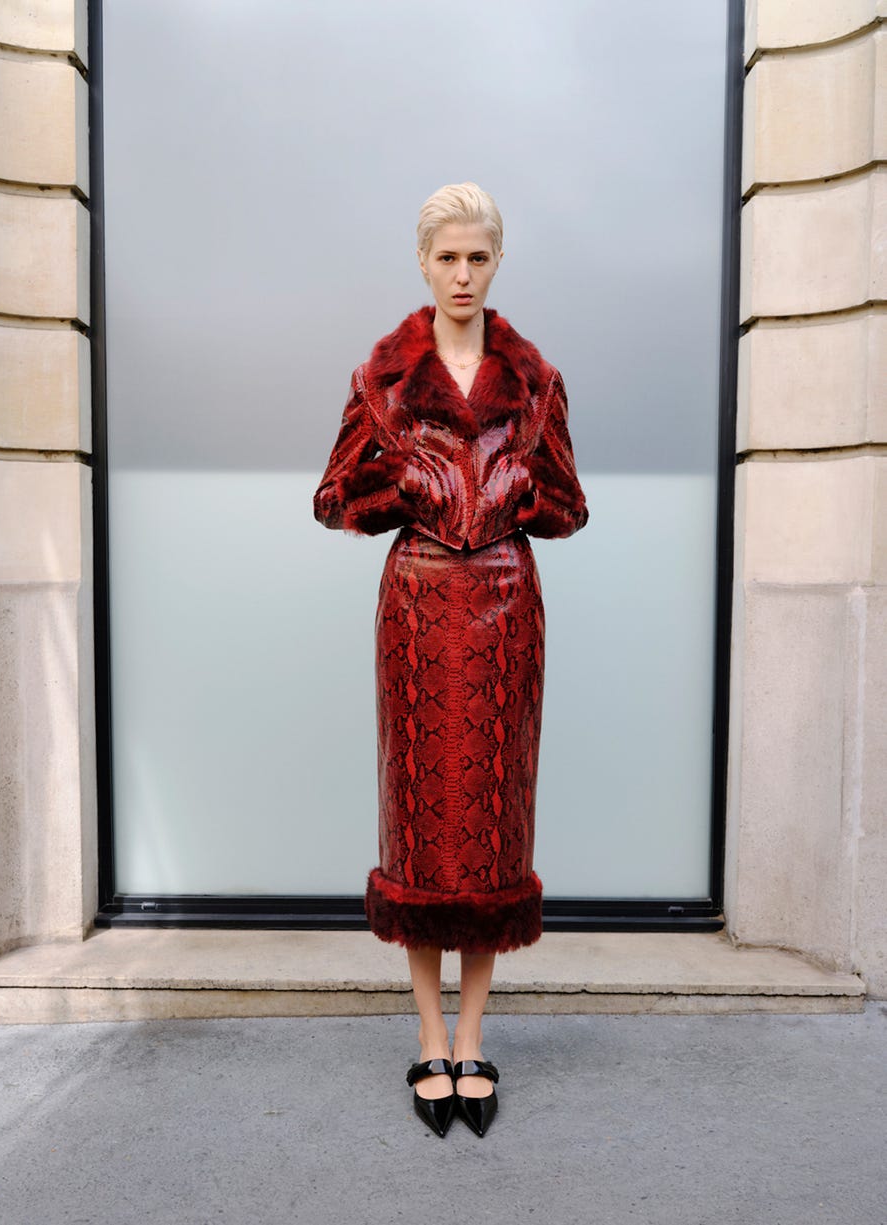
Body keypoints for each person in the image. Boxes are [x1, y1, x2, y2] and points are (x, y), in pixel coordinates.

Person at [313, 182, 588, 1138]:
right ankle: (429, 1037)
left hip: (508, 606)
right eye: (447, 258)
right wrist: (405, 480)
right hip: (421, 608)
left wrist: (515, 489)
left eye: (478, 257)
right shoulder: (384, 380)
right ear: (422, 263)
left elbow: (570, 505)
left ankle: (474, 1038)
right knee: (425, 825)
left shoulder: (536, 381)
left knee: (494, 827)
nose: (463, 274)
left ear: (497, 262)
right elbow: (334, 497)